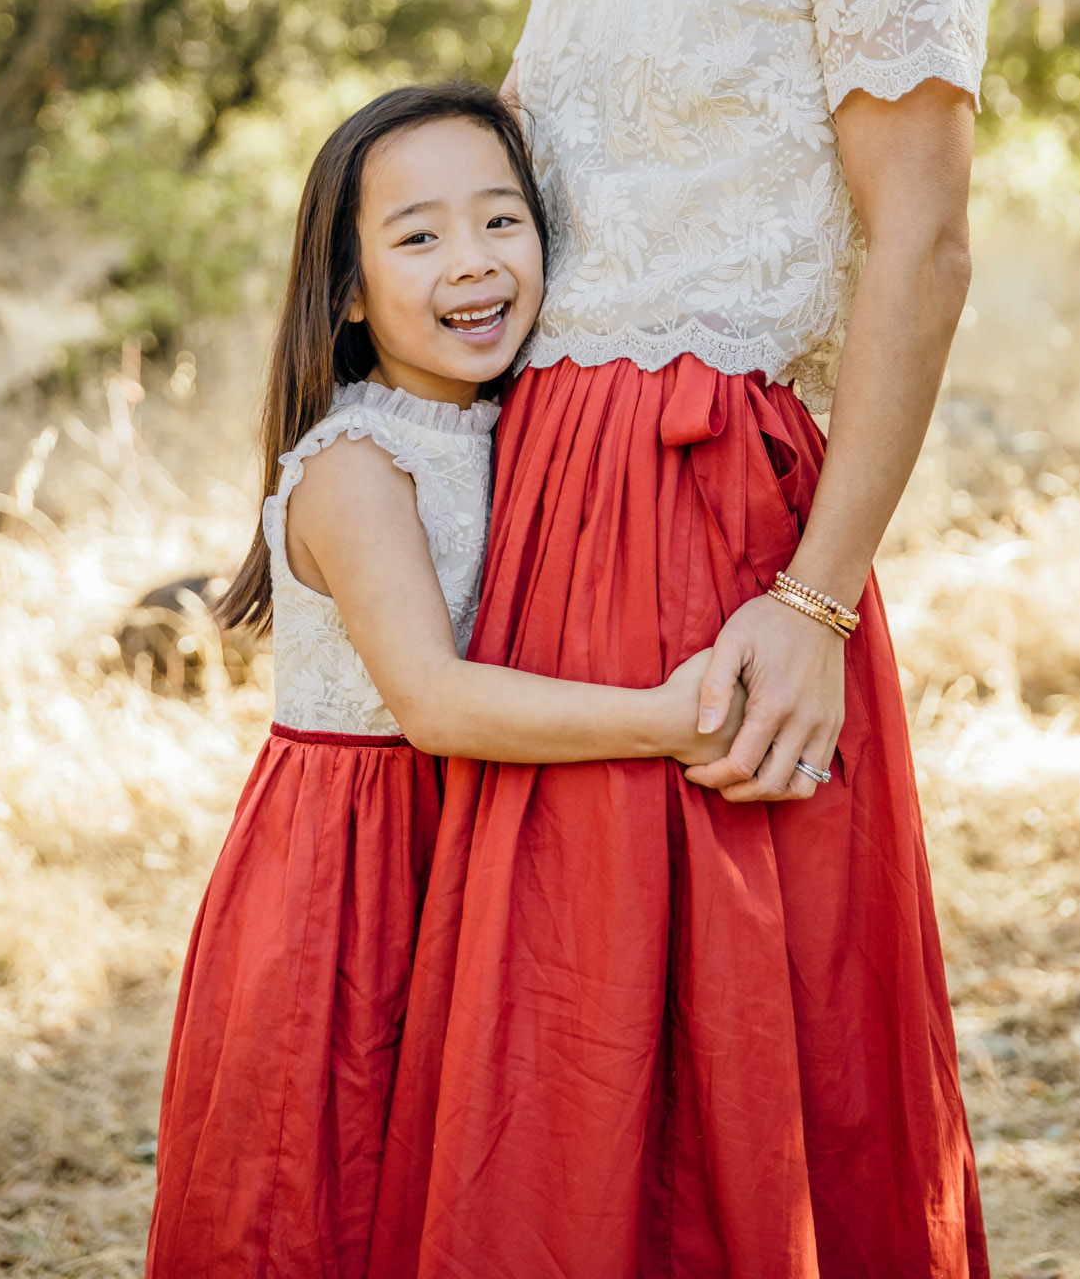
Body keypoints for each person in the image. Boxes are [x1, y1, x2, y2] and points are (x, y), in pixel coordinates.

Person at [368, 0, 994, 1277]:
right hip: (544, 509)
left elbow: (922, 250)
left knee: (733, 1077)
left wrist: (810, 603)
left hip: (715, 522)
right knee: (549, 1086)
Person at [145, 83, 746, 1279]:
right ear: (351, 292)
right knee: (334, 1190)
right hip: (357, 864)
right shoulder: (355, 467)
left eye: (501, 222)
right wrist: (668, 720)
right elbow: (434, 701)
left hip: (481, 840)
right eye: (418, 237)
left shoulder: (520, 426)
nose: (470, 264)